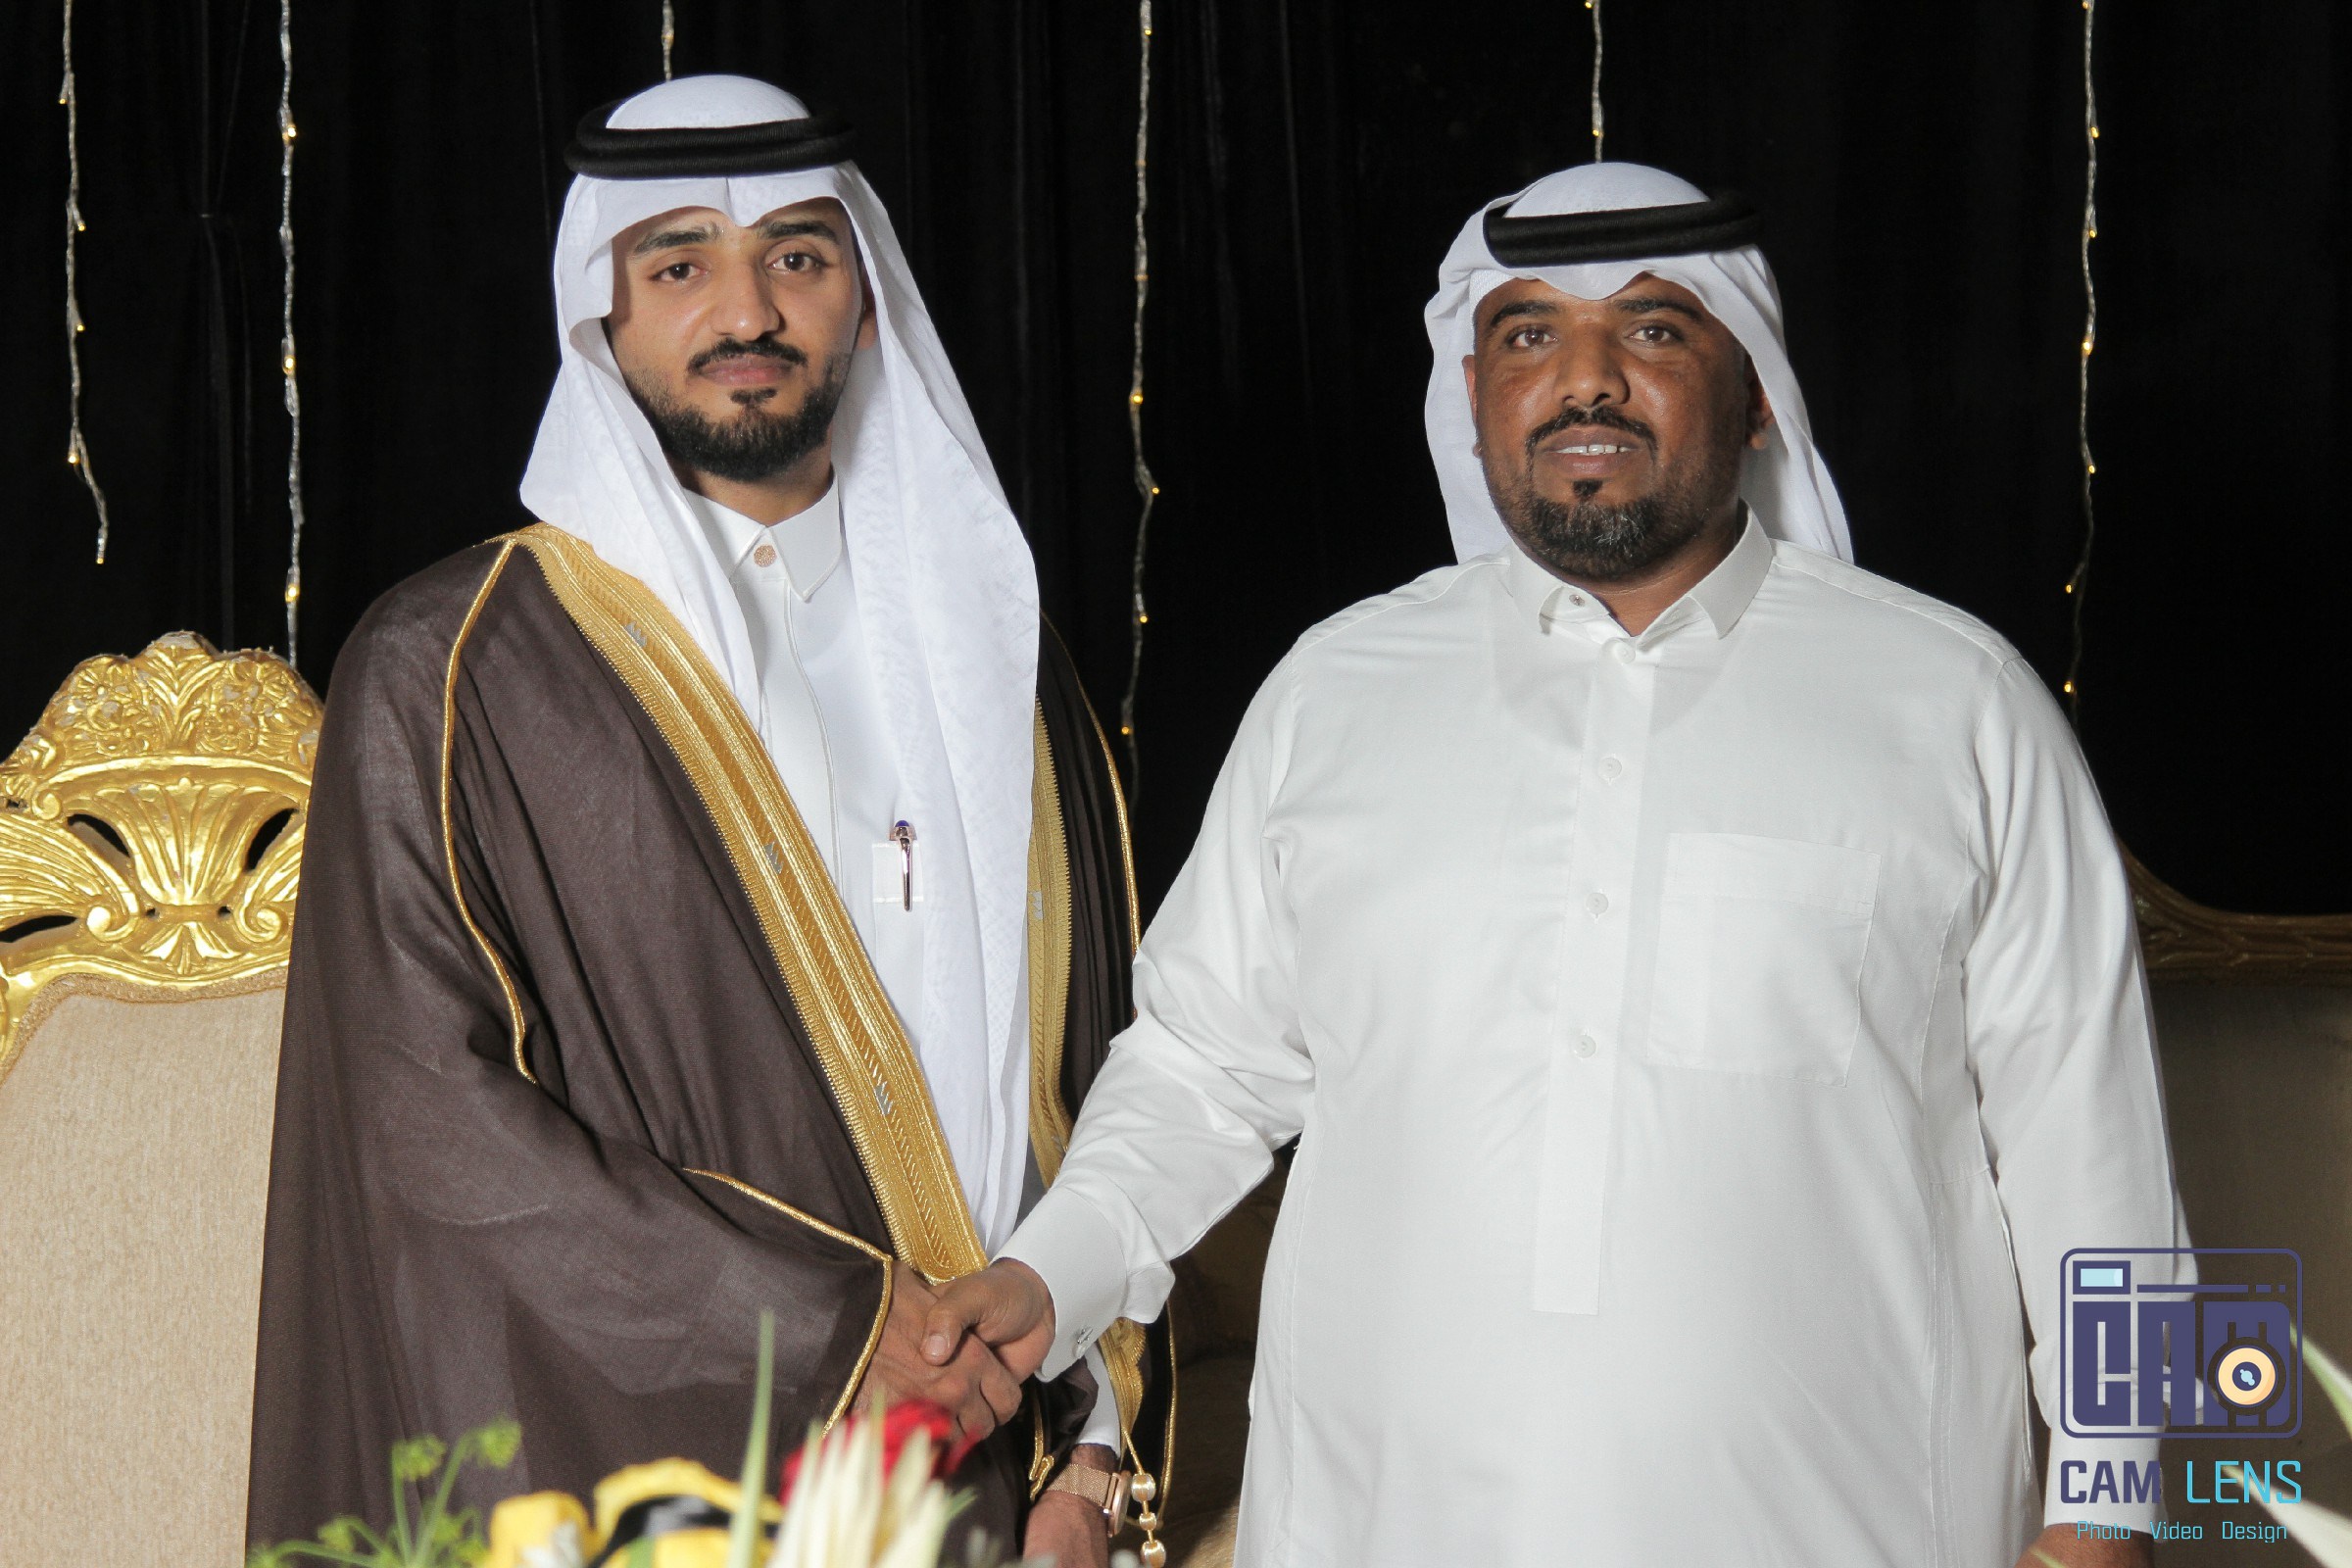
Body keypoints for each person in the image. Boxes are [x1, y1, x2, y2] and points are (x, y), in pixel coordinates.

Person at [925, 163, 2185, 1568]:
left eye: (1652, 330)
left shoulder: (1957, 704)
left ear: (1755, 391)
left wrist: (2113, 1509)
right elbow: (1200, 1068)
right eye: (1530, 334)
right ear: (1474, 394)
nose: (1586, 380)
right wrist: (1054, 1273)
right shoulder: (1334, 694)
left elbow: (2099, 1157)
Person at [246, 75, 1166, 1568]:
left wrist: (1098, 1459)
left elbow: (1112, 1073)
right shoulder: (455, 667)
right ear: (599, 314)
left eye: (797, 256)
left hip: (1005, 1489)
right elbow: (430, 1132)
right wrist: (832, 1334)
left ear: (865, 297)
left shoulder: (1003, 656)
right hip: (645, 1487)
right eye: (679, 265)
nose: (749, 311)